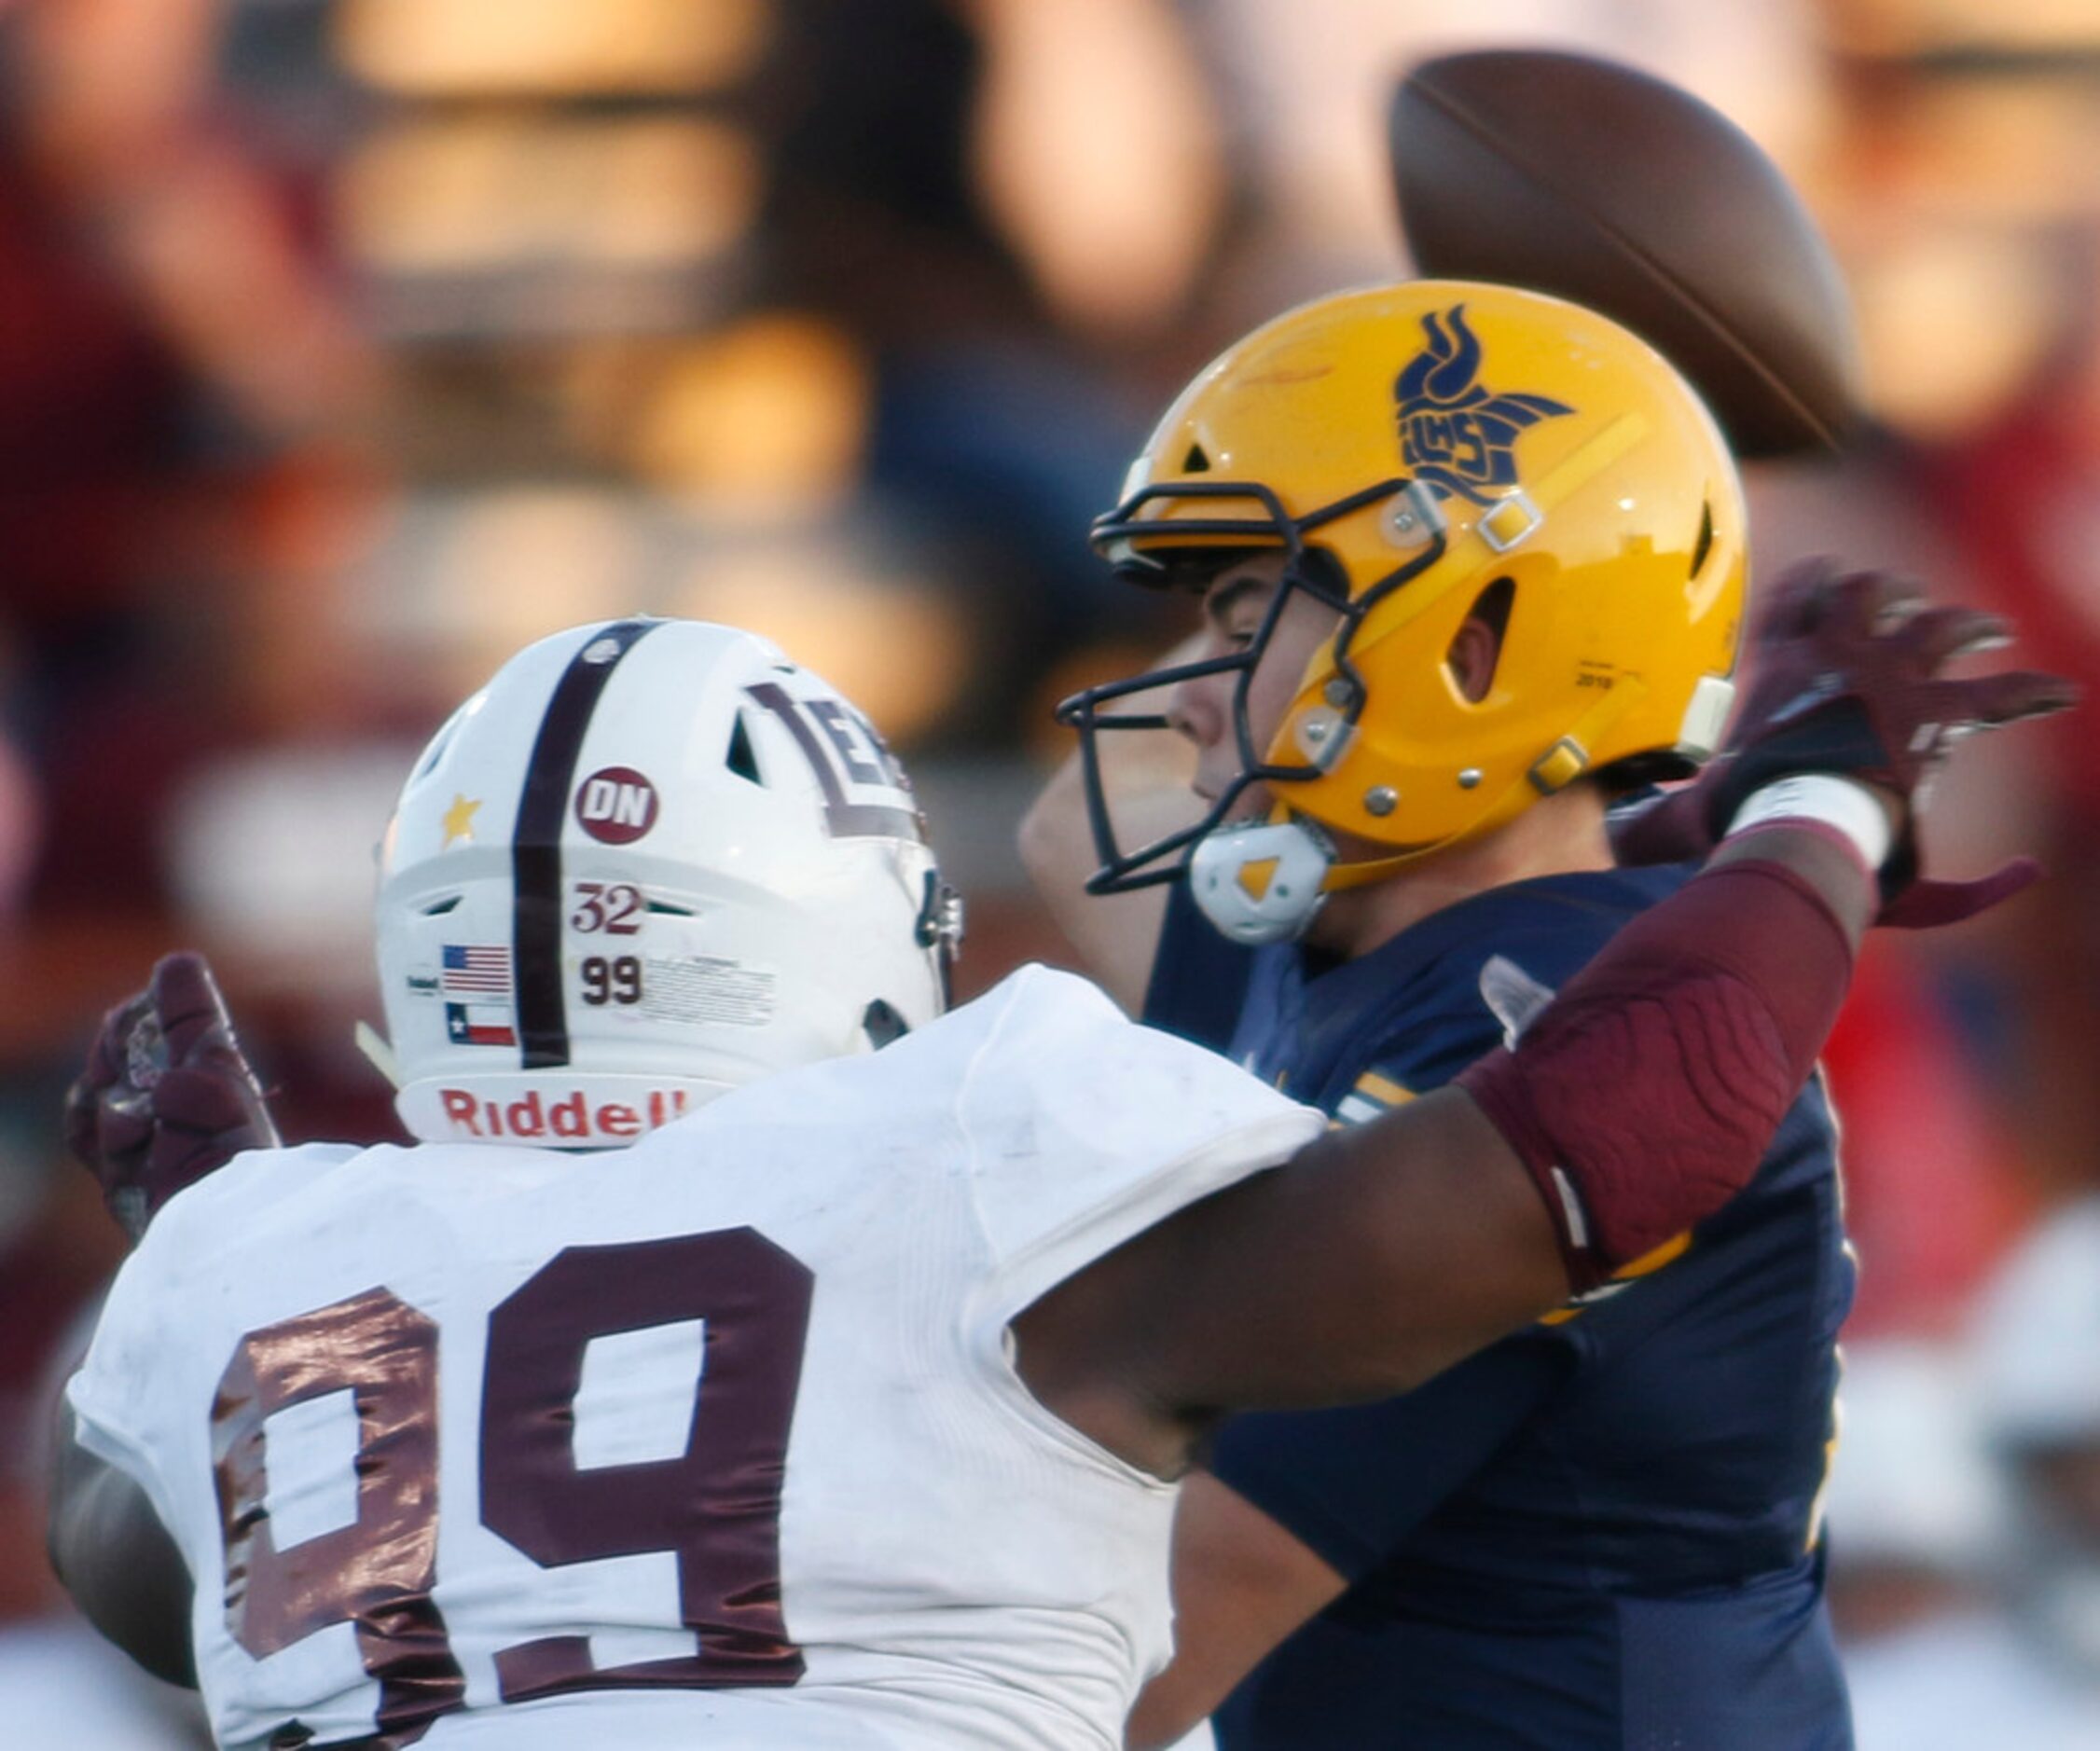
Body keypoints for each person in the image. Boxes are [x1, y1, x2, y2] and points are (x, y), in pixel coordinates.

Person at [49, 600, 2055, 1751]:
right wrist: (1812, 814)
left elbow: (159, 1588)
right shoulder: (983, 1149)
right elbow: (1622, 1138)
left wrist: (229, 1263)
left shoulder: (259, 1270)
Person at [1018, 279, 2059, 1749]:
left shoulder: (1552, 1020)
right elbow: (1081, 818)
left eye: (1248, 612)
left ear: (1473, 640)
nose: (1188, 698)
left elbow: (1151, 1638)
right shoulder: (1346, 950)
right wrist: (1464, 386)